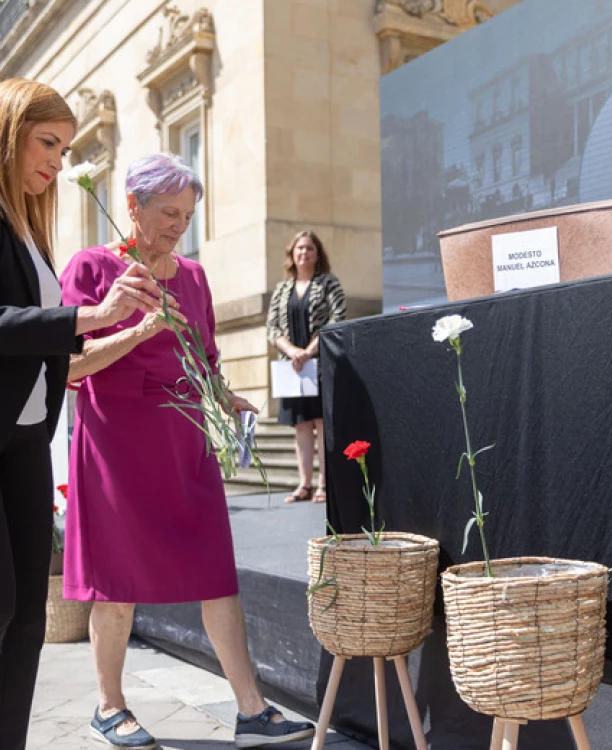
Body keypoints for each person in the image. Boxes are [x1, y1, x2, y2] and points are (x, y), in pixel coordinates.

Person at [60, 154, 315, 749]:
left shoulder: (194, 277)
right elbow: (68, 368)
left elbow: (204, 361)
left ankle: (252, 709)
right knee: (116, 585)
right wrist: (136, 329)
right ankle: (108, 706)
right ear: (132, 207)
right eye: (168, 212)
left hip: (185, 441)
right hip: (118, 445)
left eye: (188, 214)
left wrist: (228, 400)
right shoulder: (93, 267)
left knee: (215, 573)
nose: (180, 224)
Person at [0, 79, 170, 750]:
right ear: (8, 131)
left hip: (23, 440)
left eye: (66, 149)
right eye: (48, 143)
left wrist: (116, 324)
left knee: (26, 624)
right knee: (3, 605)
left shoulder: (29, 228)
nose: (58, 163)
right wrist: (91, 316)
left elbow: (47, 343)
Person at [266, 231, 347, 504]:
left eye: (309, 248)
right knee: (301, 425)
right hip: (293, 368)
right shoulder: (281, 289)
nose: (304, 253)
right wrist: (292, 352)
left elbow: (338, 318)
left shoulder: (328, 283)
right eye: (300, 248)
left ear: (317, 253)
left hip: (321, 365)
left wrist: (310, 351)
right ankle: (304, 485)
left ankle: (324, 485)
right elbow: (272, 328)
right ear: (292, 253)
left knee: (321, 423)